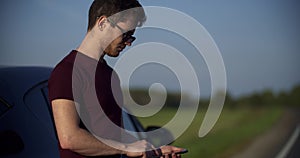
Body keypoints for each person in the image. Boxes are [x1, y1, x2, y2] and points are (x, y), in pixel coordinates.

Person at [48, 0, 185, 157]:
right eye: (125, 34)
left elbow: (114, 135)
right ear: (103, 23)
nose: (128, 43)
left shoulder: (110, 75)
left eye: (131, 37)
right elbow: (70, 138)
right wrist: (127, 149)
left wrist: (153, 149)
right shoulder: (68, 71)